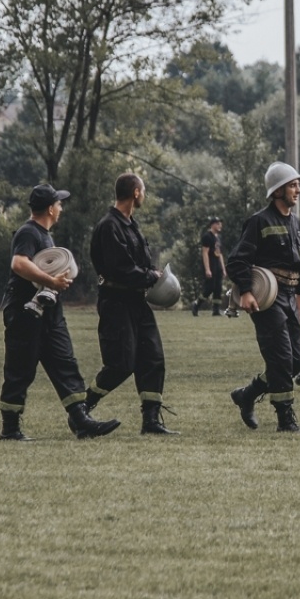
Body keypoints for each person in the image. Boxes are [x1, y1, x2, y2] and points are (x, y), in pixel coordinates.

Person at [0, 183, 119, 441]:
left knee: (65, 363)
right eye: (59, 204)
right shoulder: (28, 232)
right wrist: (52, 282)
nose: (61, 208)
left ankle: (81, 420)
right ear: (51, 208)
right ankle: (10, 429)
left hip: (49, 313)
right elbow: (19, 263)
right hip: (24, 312)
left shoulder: (44, 235)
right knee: (21, 369)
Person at [228, 161, 300, 433]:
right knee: (280, 359)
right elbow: (236, 261)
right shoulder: (258, 221)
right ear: (277, 190)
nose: (299, 190)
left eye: (297, 185)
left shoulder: (297, 223)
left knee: (293, 363)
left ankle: (247, 394)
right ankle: (286, 420)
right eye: (293, 185)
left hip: (291, 298)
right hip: (268, 300)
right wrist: (245, 290)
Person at [85, 172, 177, 434]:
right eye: (144, 190)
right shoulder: (109, 226)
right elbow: (120, 268)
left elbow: (140, 263)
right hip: (116, 301)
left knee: (153, 358)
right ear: (136, 192)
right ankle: (82, 408)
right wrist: (151, 276)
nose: (144, 195)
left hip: (137, 301)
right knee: (121, 363)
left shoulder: (130, 224)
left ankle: (151, 422)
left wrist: (153, 273)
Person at [191, 216, 226, 317]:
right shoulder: (207, 236)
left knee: (218, 288)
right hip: (210, 265)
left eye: (220, 223)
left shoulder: (218, 237)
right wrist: (207, 269)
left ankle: (216, 310)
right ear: (213, 224)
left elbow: (220, 253)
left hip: (217, 265)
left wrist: (223, 268)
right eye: (218, 223)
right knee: (209, 288)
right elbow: (205, 253)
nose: (220, 225)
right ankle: (196, 304)